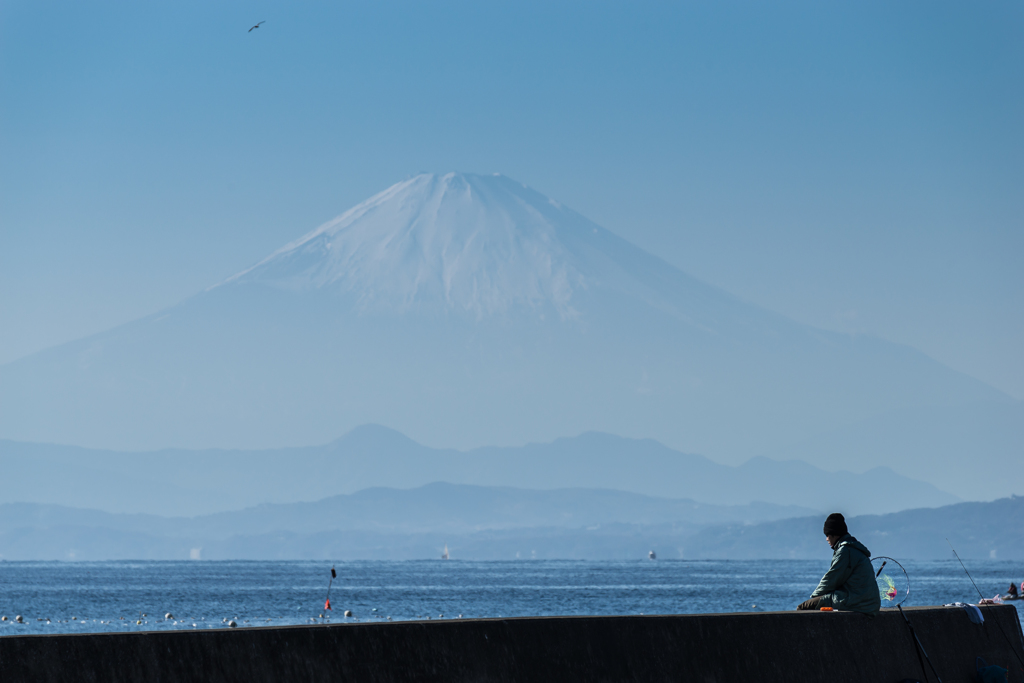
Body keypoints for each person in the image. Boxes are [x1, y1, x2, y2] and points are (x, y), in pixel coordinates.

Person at [796, 513, 881, 615]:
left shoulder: (845, 551)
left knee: (803, 607)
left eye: (827, 535)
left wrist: (815, 596)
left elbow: (832, 578)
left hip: (856, 601)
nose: (826, 539)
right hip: (868, 602)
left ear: (834, 534)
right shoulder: (854, 548)